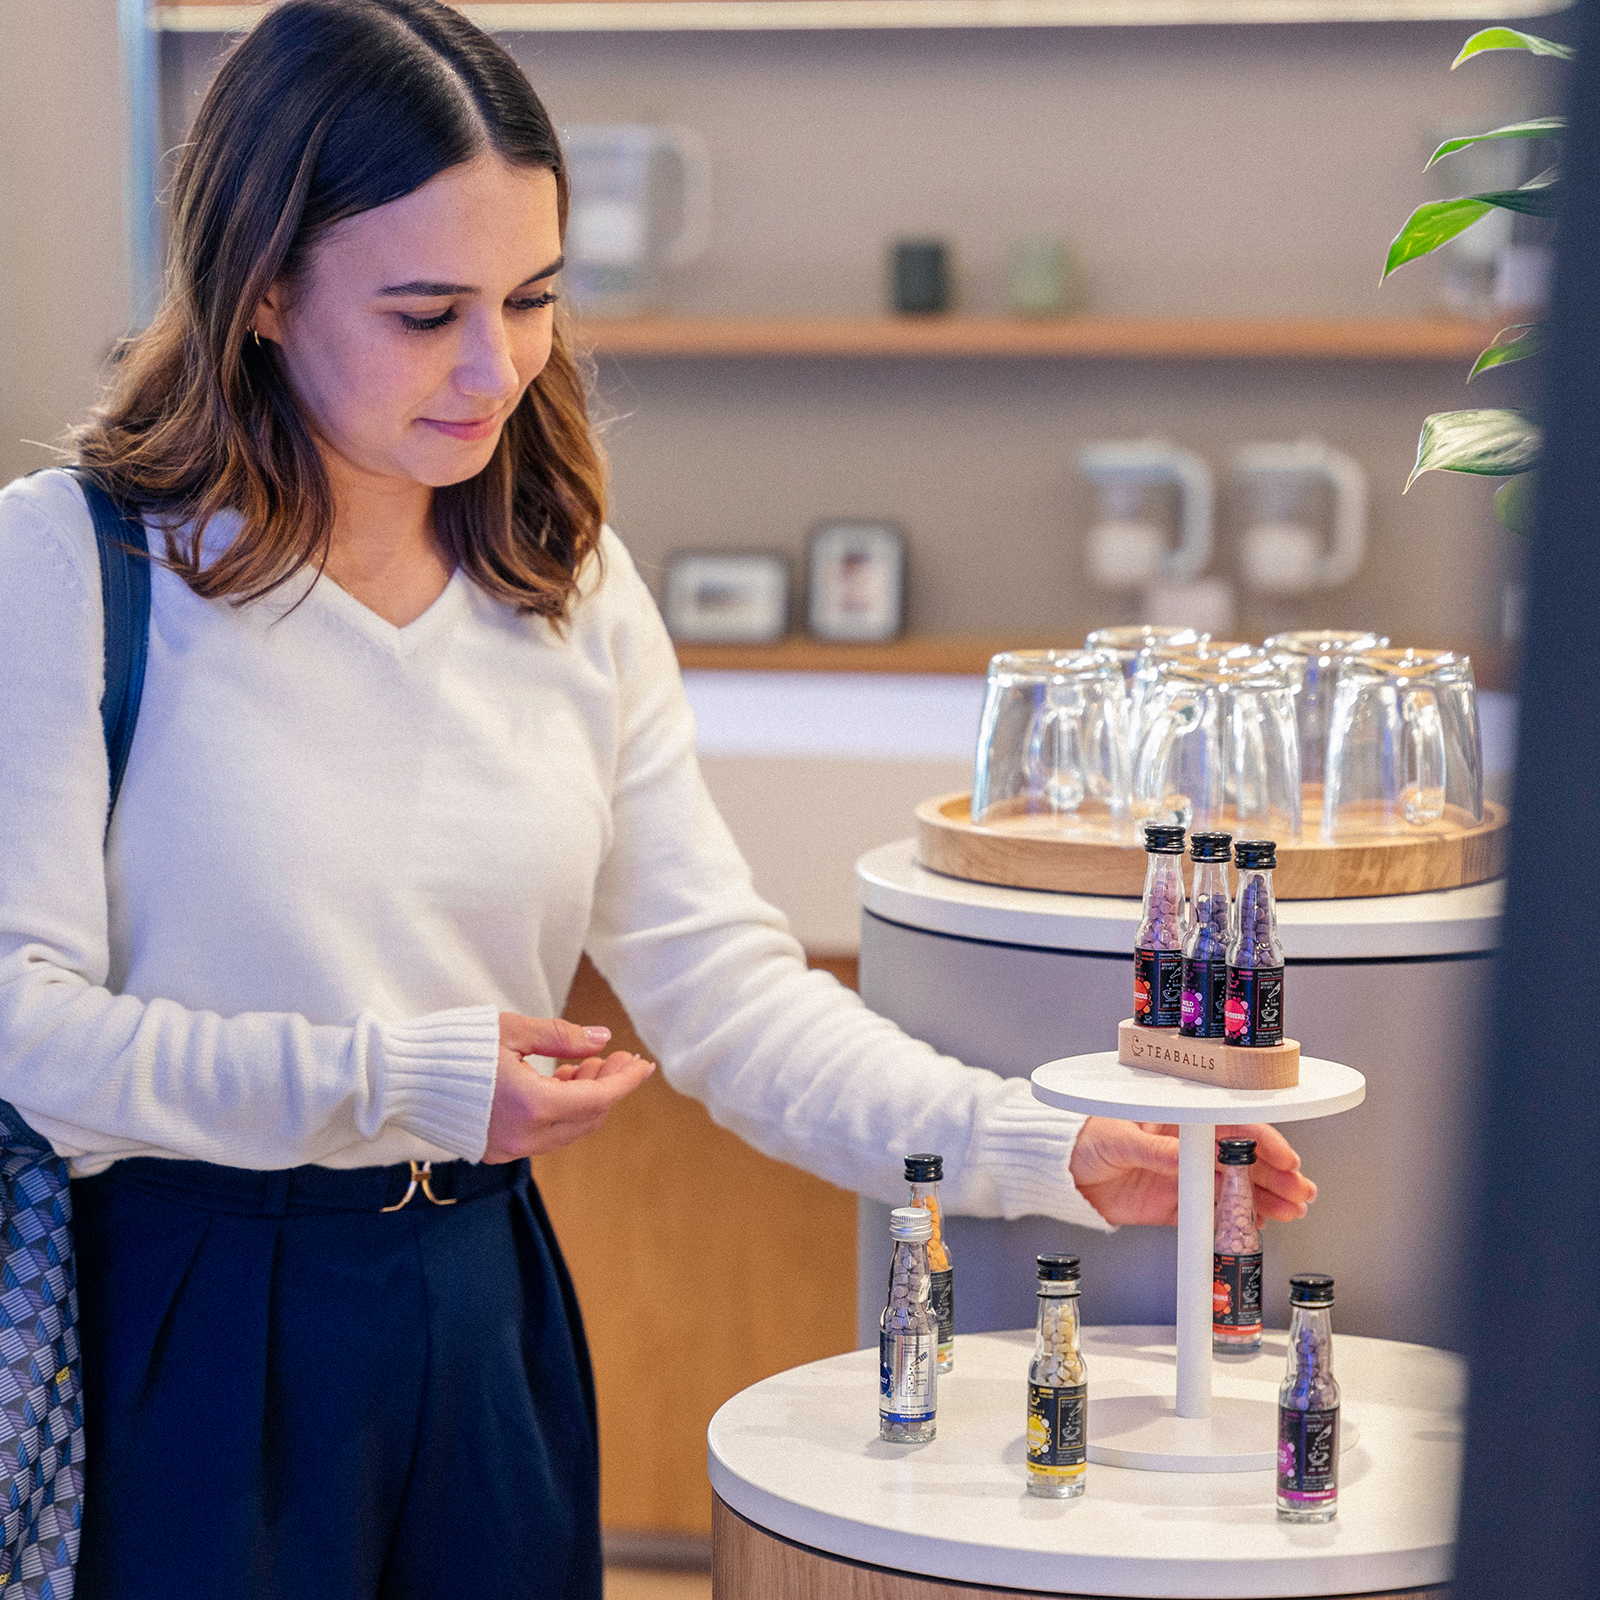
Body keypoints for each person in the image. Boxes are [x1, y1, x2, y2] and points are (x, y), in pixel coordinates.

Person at [0, 1, 1315, 1594]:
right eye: (426, 313)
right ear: (264, 288)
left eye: (533, 298)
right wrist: (400, 1078)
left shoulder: (559, 580)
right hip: (183, 1321)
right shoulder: (74, 564)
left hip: (488, 1306)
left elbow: (726, 996)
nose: (496, 366)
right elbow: (30, 1035)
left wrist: (1047, 1149)